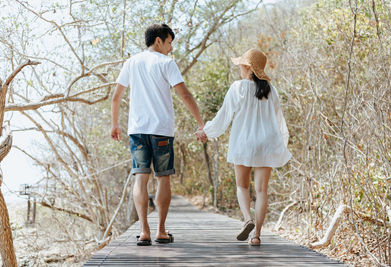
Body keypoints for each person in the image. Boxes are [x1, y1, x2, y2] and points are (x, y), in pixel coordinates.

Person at [111, 24, 204, 246]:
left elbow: (116, 96)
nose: (171, 49)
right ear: (158, 41)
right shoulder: (166, 63)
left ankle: (144, 232)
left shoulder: (131, 62)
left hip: (138, 131)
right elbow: (184, 94)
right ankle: (161, 231)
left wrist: (114, 124)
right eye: (170, 43)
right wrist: (201, 123)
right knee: (163, 177)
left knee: (140, 178)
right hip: (161, 130)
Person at [196, 48, 291, 246]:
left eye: (241, 64)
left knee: (242, 186)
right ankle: (256, 235)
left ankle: (247, 218)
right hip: (267, 143)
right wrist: (281, 143)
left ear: (248, 67)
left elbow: (224, 117)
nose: (239, 66)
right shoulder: (271, 90)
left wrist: (206, 131)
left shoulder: (237, 87)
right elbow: (278, 120)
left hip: (243, 143)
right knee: (262, 191)